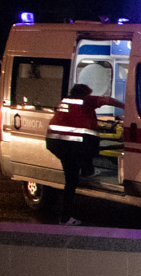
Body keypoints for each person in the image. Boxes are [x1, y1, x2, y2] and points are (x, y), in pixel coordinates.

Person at [45, 83, 124, 226]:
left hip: (55, 143)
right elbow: (107, 100)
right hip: (72, 145)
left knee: (72, 172)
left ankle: (86, 170)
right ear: (84, 93)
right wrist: (127, 107)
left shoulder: (66, 101)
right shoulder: (86, 101)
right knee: (72, 180)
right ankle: (65, 218)